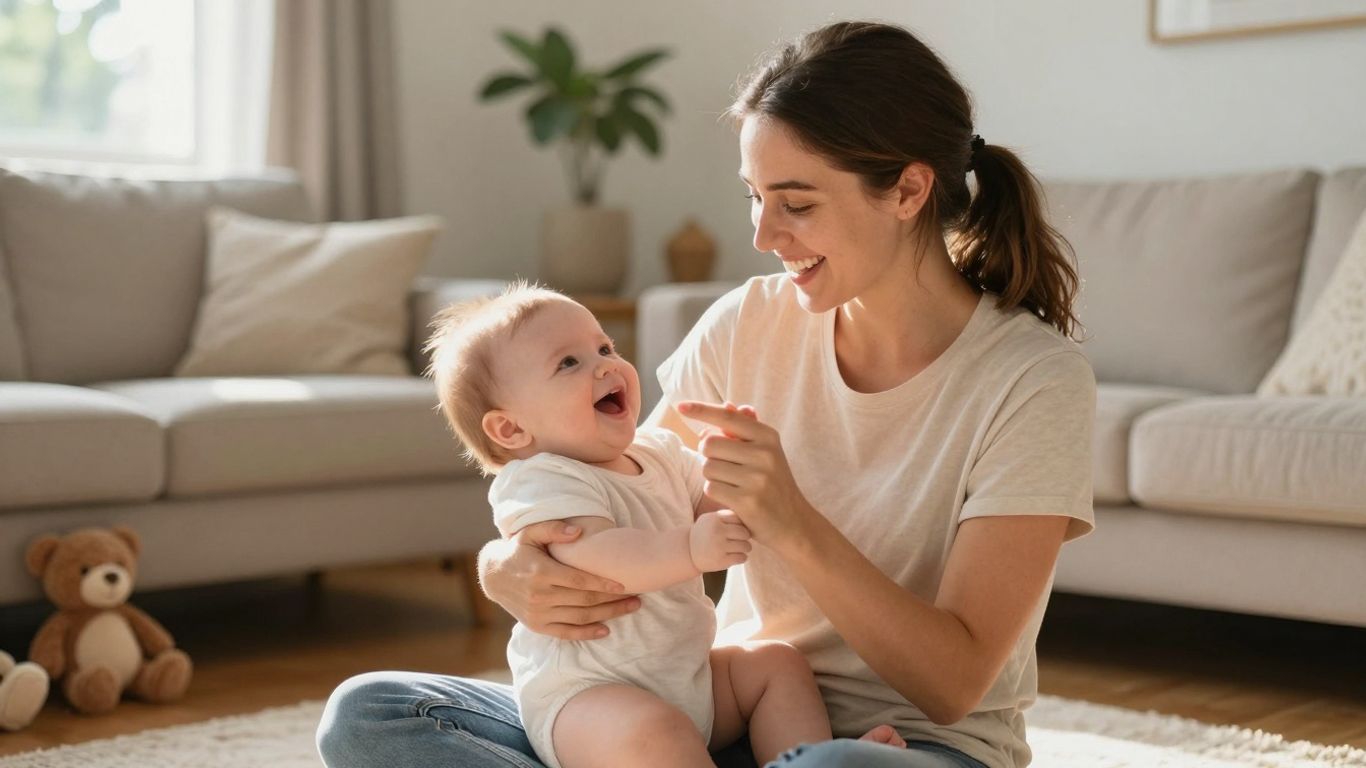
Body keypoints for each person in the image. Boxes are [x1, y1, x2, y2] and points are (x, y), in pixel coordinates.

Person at [317, 19, 1094, 768]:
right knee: (374, 714)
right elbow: (624, 490)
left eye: (796, 202)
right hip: (710, 716)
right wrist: (503, 564)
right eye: (754, 196)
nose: (762, 234)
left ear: (909, 190)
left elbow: (953, 686)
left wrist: (792, 521)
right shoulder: (744, 324)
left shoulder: (1030, 380)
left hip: (909, 747)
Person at [397, 284, 902, 768]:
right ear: (510, 428)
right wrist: (692, 548)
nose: (605, 366)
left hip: (692, 680)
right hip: (590, 702)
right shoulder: (541, 479)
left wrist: (739, 479)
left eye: (604, 346)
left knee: (776, 665)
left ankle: (815, 762)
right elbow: (599, 556)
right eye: (569, 363)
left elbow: (713, 506)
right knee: (654, 733)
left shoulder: (658, 451)